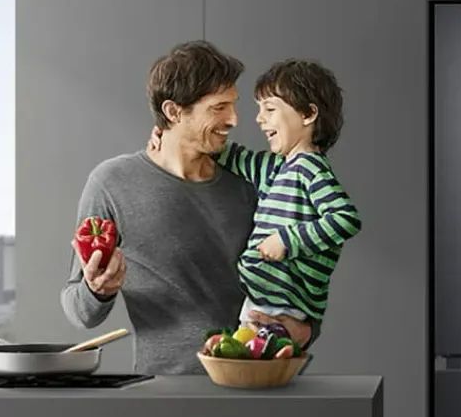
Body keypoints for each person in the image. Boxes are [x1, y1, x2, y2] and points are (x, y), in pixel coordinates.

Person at [61, 40, 317, 373]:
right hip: (165, 395)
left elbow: (303, 282)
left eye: (233, 105)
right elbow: (79, 311)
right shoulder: (112, 183)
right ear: (173, 111)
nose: (234, 119)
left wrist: (306, 330)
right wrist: (97, 290)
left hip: (257, 383)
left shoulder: (255, 182)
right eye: (218, 107)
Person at [152, 58, 361, 336]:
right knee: (238, 356)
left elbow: (346, 219)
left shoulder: (311, 169)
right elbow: (230, 155)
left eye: (270, 109)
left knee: (251, 363)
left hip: (286, 305)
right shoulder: (275, 166)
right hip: (261, 299)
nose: (259, 118)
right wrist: (170, 133)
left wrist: (287, 241)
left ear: (308, 114)